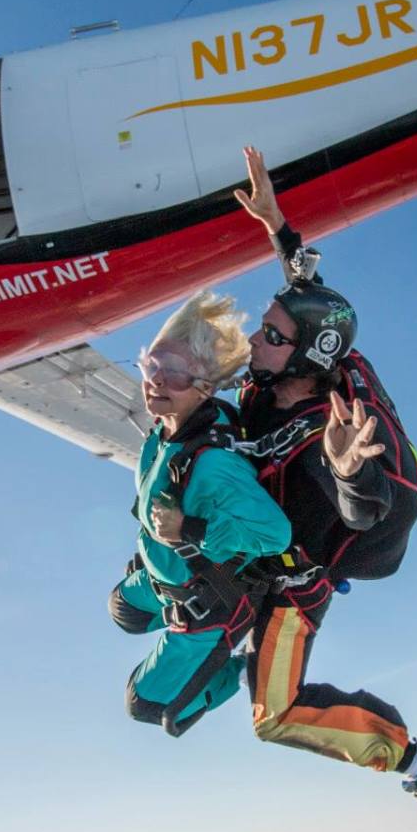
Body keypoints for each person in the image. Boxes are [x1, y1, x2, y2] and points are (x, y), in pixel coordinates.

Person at [225, 144, 417, 832]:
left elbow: (367, 510)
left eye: (270, 336)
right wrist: (275, 225)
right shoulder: (293, 367)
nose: (253, 339)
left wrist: (349, 467)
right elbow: (303, 287)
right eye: (260, 325)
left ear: (303, 359)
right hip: (264, 536)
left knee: (274, 713)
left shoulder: (326, 430)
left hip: (301, 575)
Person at [110, 292, 293, 737]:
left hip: (202, 601)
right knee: (123, 611)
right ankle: (156, 590)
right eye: (151, 366)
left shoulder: (214, 464)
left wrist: (187, 528)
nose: (155, 382)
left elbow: (275, 534)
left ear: (204, 387)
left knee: (149, 706)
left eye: (172, 375)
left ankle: (236, 670)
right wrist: (150, 551)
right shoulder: (164, 428)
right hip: (162, 569)